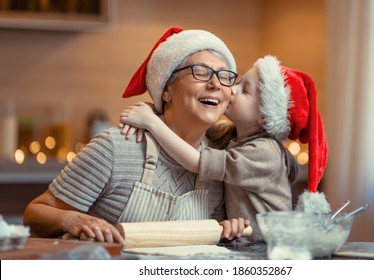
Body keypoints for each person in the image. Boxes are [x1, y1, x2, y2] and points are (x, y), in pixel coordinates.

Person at [23, 27, 249, 244]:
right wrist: (73, 220)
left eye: (225, 76)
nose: (215, 84)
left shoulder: (218, 165)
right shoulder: (116, 148)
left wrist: (229, 228)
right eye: (200, 72)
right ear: (166, 90)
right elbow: (35, 213)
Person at [119, 55, 331, 241]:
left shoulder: (266, 153)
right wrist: (159, 109)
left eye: (244, 90)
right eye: (237, 82)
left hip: (268, 252)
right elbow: (187, 125)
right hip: (244, 245)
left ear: (264, 117)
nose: (231, 89)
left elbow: (197, 162)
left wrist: (152, 123)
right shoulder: (233, 136)